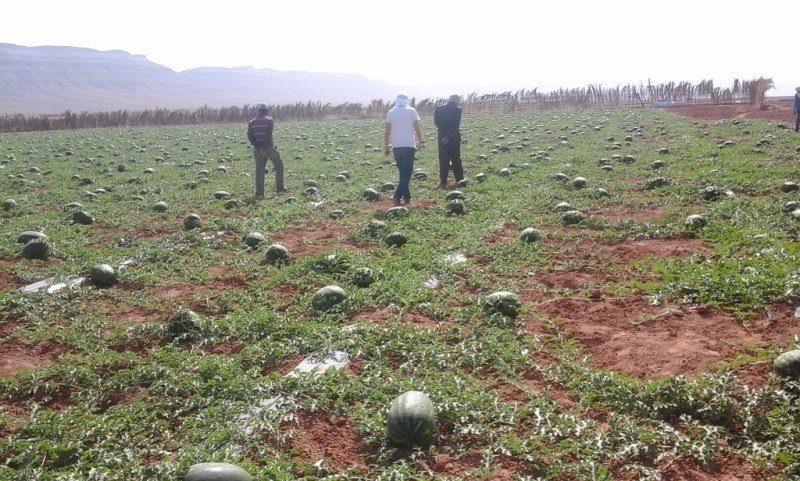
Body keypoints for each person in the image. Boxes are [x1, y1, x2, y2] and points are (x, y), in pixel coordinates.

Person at [384, 94, 423, 205]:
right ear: (406, 101)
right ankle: (397, 196)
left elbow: (387, 132)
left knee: (403, 173)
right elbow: (417, 129)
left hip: (396, 147)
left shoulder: (391, 112)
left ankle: (407, 197)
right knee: (407, 173)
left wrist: (386, 147)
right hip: (409, 146)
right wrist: (419, 142)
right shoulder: (411, 111)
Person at [247, 102, 285, 198]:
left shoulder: (251, 122)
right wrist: (263, 149)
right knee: (279, 165)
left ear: (258, 111)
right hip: (268, 148)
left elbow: (250, 137)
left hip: (258, 150)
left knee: (259, 171)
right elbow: (268, 135)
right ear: (267, 111)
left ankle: (259, 194)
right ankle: (279, 188)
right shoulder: (269, 120)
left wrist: (258, 148)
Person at [434, 94, 464, 188]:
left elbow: (436, 123)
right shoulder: (458, 110)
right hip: (453, 137)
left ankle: (443, 181)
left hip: (441, 137)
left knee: (443, 159)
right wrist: (448, 136)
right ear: (457, 101)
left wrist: (444, 134)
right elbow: (455, 125)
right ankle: (459, 180)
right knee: (455, 159)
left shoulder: (438, 109)